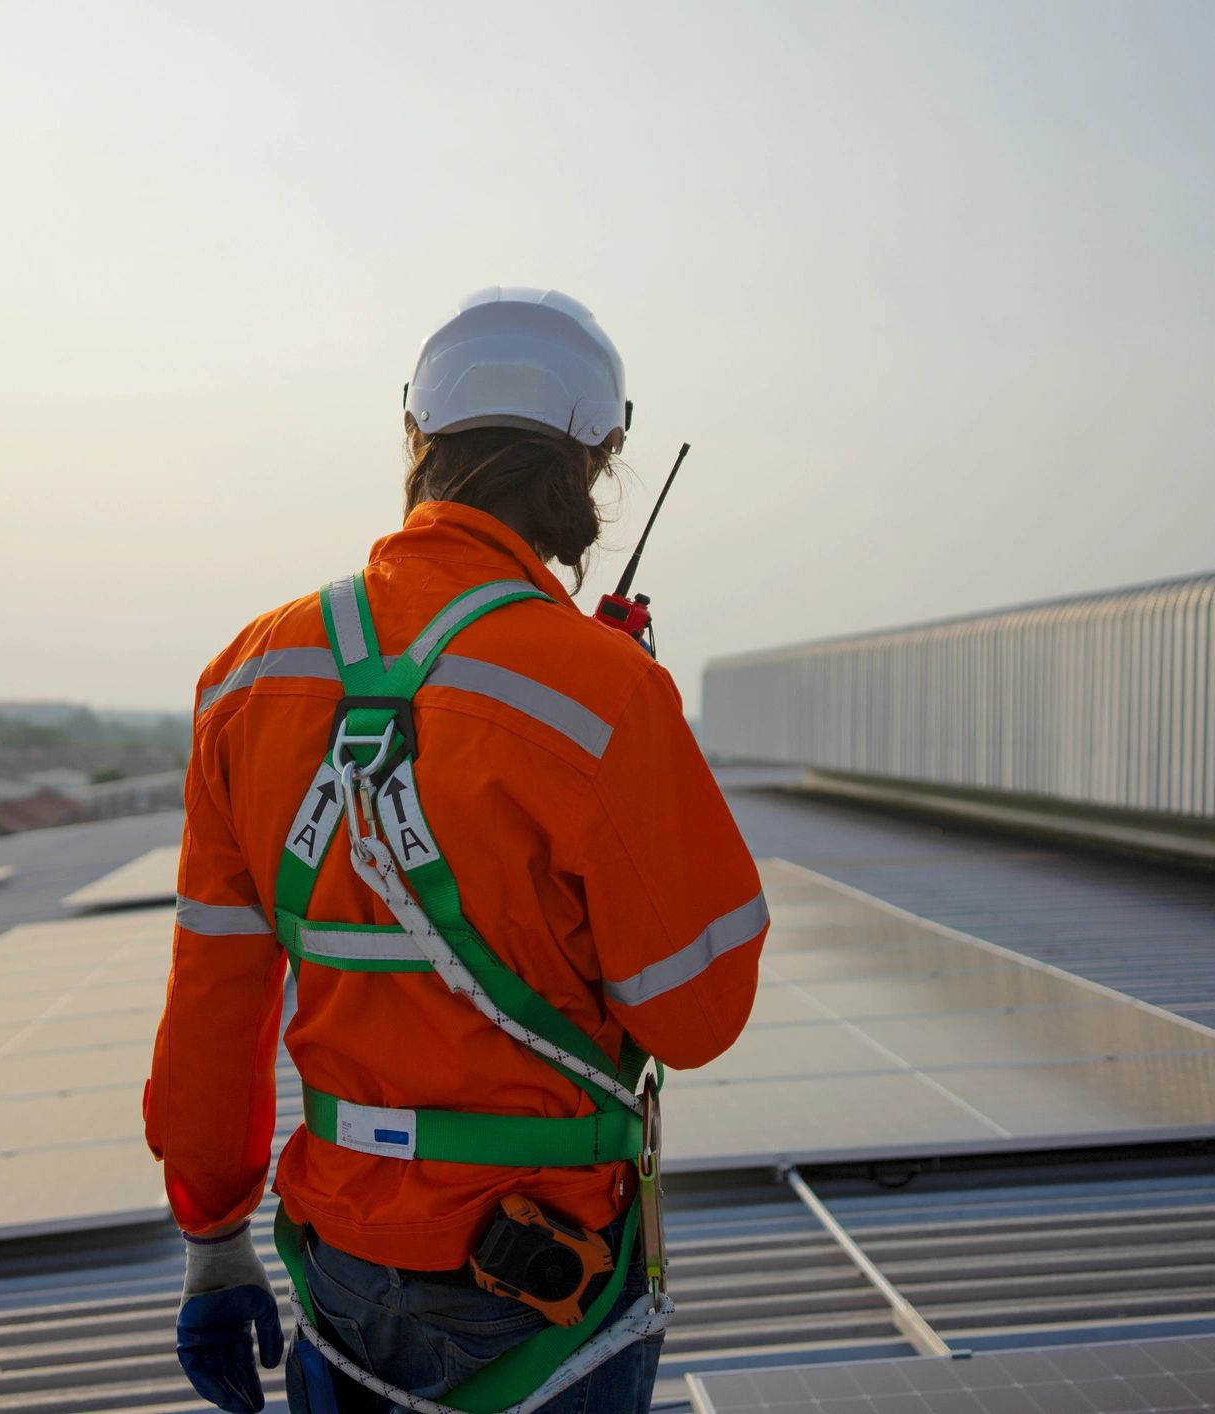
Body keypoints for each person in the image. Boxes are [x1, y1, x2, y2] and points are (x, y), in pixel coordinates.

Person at [145, 287, 766, 1414]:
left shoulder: (247, 678)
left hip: (333, 1272)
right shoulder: (604, 693)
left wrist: (211, 1241)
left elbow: (213, 998)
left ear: (416, 440)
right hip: (534, 1289)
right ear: (594, 462)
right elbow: (697, 1012)